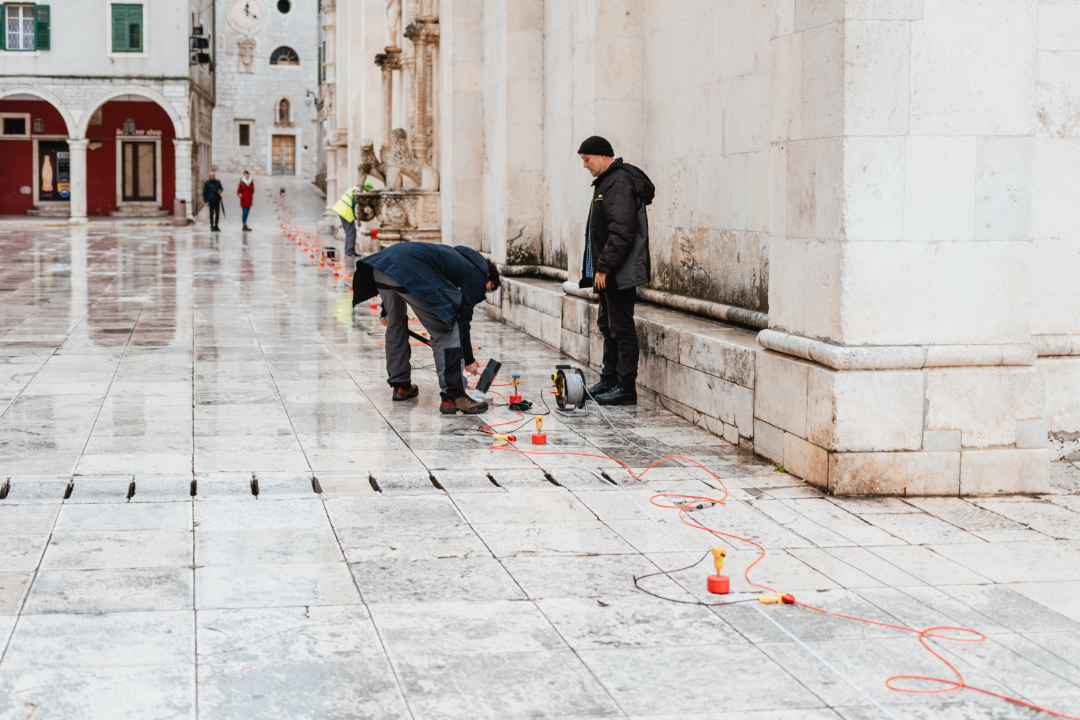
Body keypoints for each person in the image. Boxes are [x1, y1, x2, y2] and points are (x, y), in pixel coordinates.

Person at [352, 242, 501, 415]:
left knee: (395, 323)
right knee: (448, 327)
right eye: (486, 289)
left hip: (381, 267)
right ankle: (453, 396)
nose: (480, 294)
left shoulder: (457, 258)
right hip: (405, 271)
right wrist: (468, 359)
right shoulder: (478, 274)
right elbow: (463, 319)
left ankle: (400, 386)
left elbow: (400, 264)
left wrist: (387, 309)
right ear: (488, 276)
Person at [577, 135, 655, 406]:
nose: (585, 165)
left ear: (601, 156)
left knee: (621, 328)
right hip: (610, 272)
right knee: (607, 325)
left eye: (587, 160)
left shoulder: (617, 182)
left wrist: (604, 267)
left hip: (618, 272)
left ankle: (625, 387)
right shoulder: (607, 181)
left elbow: (621, 231)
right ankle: (609, 378)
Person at [331, 185, 360, 257]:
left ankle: (348, 251)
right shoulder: (358, 192)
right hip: (345, 212)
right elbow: (355, 207)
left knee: (349, 232)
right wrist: (357, 219)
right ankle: (350, 252)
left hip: (342, 211)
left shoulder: (354, 189)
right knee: (351, 233)